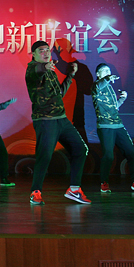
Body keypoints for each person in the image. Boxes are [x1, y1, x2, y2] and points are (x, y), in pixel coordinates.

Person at [26, 41, 90, 205]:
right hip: (45, 120)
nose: (46, 53)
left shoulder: (51, 72)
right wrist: (44, 67)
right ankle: (35, 192)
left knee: (81, 149)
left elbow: (59, 93)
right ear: (33, 54)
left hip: (61, 119)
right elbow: (37, 71)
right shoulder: (32, 69)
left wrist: (70, 75)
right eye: (41, 51)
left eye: (47, 50)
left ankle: (74, 189)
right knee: (45, 156)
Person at [92, 63, 134, 194]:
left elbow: (114, 107)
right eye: (104, 71)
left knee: (131, 152)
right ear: (98, 75)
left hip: (118, 125)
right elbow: (100, 85)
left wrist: (123, 99)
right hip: (105, 126)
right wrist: (108, 78)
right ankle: (104, 182)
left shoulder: (110, 88)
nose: (107, 72)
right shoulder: (96, 86)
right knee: (108, 156)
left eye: (108, 70)